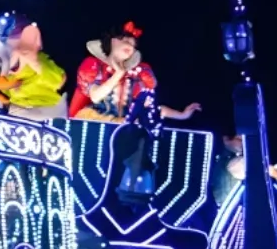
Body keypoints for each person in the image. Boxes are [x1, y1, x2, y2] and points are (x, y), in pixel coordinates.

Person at [70, 22, 200, 201]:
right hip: (94, 124)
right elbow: (96, 96)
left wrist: (182, 114)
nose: (130, 47)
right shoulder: (93, 65)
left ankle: (131, 190)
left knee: (140, 138)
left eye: (133, 45)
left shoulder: (136, 75)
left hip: (122, 127)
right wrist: (118, 73)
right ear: (113, 41)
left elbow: (149, 109)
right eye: (126, 41)